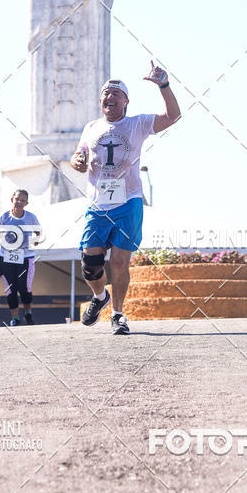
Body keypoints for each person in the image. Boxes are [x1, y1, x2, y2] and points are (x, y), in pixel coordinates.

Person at [70, 61, 180, 335]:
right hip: (97, 204)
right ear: (100, 100)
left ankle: (118, 314)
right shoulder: (91, 127)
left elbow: (173, 115)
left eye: (116, 93)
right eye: (106, 93)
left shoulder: (137, 124)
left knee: (119, 262)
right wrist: (77, 162)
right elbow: (78, 155)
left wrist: (163, 85)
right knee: (90, 266)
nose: (109, 97)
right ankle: (100, 298)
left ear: (126, 101)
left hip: (128, 201)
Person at [0, 190, 41, 326]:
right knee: (10, 289)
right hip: (6, 257)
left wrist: (36, 240)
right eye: (17, 199)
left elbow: (38, 231)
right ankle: (15, 318)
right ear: (12, 199)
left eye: (22, 200)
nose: (19, 202)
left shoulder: (31, 217)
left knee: (24, 288)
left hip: (26, 258)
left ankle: (28, 314)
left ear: (26, 203)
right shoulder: (5, 217)